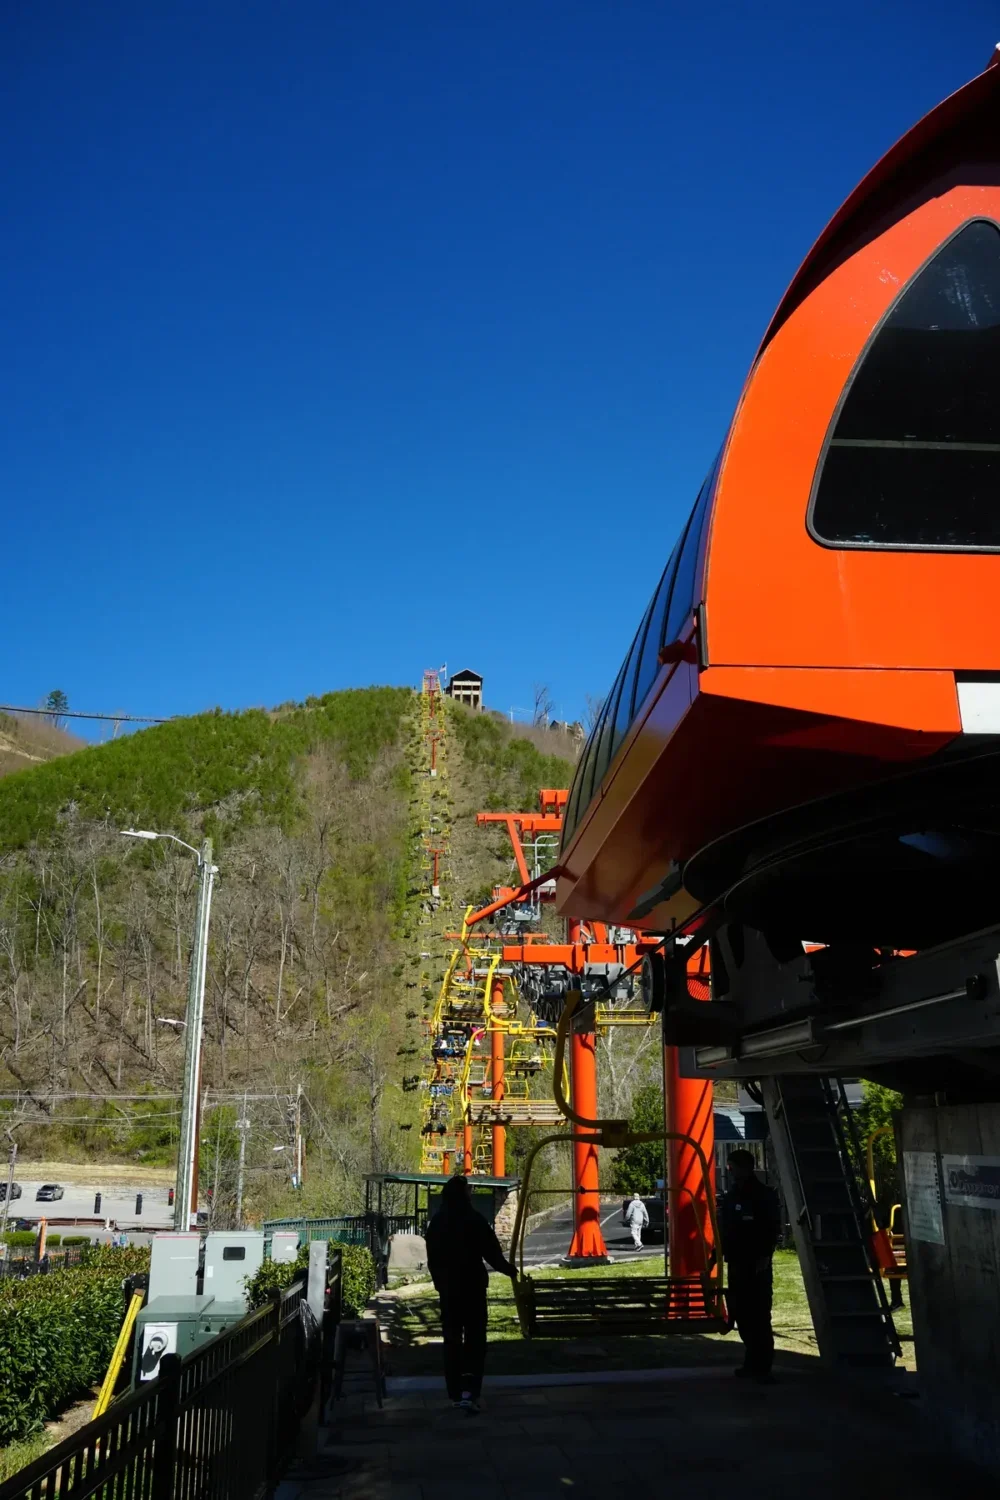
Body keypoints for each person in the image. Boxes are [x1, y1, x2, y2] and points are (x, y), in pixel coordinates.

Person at [424, 1174, 516, 1414]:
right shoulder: (474, 1220)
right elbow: (492, 1254)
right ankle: (471, 1390)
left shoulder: (437, 1222)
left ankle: (454, 1390)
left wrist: (439, 1283)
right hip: (473, 1287)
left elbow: (433, 1258)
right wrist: (510, 1271)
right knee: (475, 1341)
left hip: (449, 1289)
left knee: (452, 1340)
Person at [720, 1149, 781, 1384]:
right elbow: (727, 1228)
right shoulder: (733, 1195)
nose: (730, 1171)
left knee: (758, 1314)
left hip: (755, 1263)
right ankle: (752, 1362)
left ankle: (762, 1365)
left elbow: (770, 1228)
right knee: (742, 1313)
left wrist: (765, 1255)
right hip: (737, 1261)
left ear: (743, 1167)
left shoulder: (762, 1195)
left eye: (732, 1166)